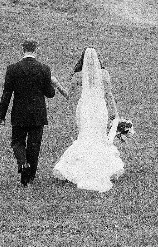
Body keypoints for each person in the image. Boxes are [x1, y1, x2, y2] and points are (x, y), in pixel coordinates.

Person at [52, 47, 125, 193]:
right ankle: (104, 168)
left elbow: (68, 95)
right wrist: (115, 115)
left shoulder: (78, 76)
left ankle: (79, 168)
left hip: (85, 109)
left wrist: (56, 83)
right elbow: (109, 95)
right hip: (99, 109)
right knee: (99, 137)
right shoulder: (104, 74)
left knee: (85, 136)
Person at [0, 39, 66, 186]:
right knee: (34, 145)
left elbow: (7, 94)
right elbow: (50, 94)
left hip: (19, 113)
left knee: (17, 142)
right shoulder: (44, 69)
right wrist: (52, 84)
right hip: (38, 114)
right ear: (36, 49)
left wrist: (2, 115)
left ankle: (23, 164)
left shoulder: (12, 69)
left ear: (22, 49)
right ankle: (30, 176)